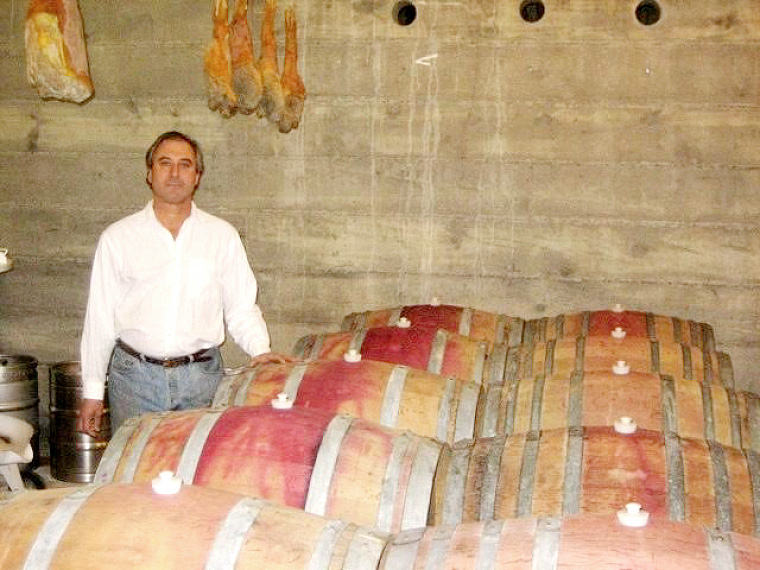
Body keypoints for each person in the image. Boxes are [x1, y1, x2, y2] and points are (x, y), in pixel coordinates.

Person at [77, 131, 291, 436]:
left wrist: (259, 349)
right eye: (165, 163)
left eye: (185, 165)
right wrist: (93, 391)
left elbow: (241, 306)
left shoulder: (221, 236)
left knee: (196, 471)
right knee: (136, 473)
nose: (175, 173)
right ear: (149, 173)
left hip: (202, 378)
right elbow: (99, 319)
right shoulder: (118, 238)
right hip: (134, 379)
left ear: (197, 176)